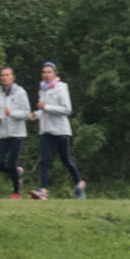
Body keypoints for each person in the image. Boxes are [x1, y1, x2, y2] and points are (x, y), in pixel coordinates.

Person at [33, 62, 83, 199]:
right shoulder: (42, 89)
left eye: (49, 72)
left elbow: (67, 109)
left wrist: (46, 107)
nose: (46, 75)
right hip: (46, 130)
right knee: (45, 160)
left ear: (55, 73)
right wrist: (35, 114)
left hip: (61, 131)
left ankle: (79, 183)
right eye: (44, 72)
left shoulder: (61, 87)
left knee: (65, 160)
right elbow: (43, 110)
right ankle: (42, 191)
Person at [0, 68, 28, 199]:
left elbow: (26, 112)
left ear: (13, 77)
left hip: (17, 133)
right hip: (1, 133)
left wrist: (12, 114)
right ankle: (15, 172)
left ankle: (16, 192)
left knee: (12, 163)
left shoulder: (20, 92)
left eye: (7, 75)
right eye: (2, 75)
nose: (5, 77)